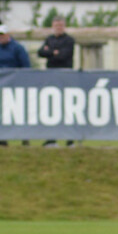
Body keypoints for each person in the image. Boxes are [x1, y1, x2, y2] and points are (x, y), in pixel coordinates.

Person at [38, 17, 76, 147]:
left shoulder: (69, 40)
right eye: (56, 25)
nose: (58, 28)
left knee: (67, 108)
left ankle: (70, 139)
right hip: (51, 79)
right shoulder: (49, 39)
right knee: (51, 109)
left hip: (65, 78)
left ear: (64, 26)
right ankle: (51, 138)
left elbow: (63, 55)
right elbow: (40, 52)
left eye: (60, 25)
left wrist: (51, 52)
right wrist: (53, 52)